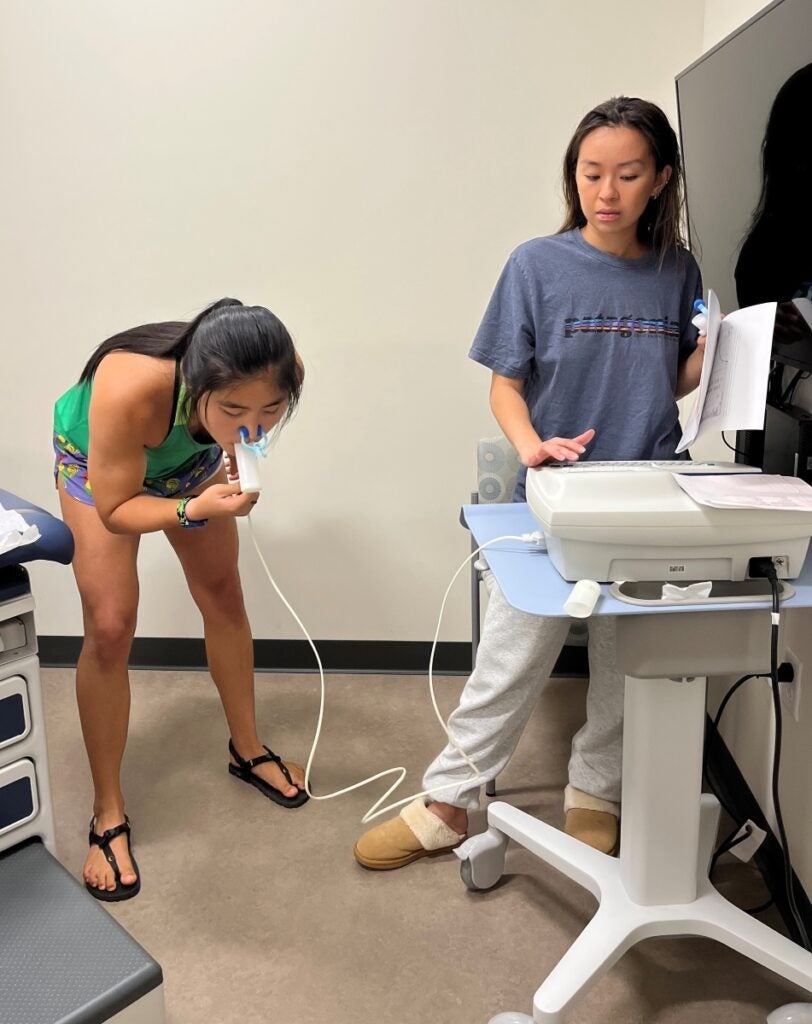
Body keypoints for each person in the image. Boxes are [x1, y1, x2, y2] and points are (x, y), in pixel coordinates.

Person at [354, 96, 705, 870]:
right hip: (553, 488)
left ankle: (595, 788)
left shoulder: (678, 269)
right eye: (591, 173)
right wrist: (532, 447)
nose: (606, 191)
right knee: (513, 651)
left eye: (627, 174)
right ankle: (451, 797)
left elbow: (667, 377)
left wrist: (714, 355)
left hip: (649, 484)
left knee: (625, 649)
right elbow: (505, 387)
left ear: (661, 179)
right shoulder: (536, 265)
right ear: (573, 176)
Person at [53, 298, 308, 902]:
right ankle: (106, 811)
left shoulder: (279, 366)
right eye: (235, 410)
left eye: (271, 409)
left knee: (224, 593)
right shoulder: (128, 384)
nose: (256, 423)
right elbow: (116, 511)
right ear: (198, 384)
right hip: (99, 466)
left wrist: (230, 451)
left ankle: (246, 749)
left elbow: (250, 414)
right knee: (111, 626)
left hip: (186, 462)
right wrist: (194, 508)